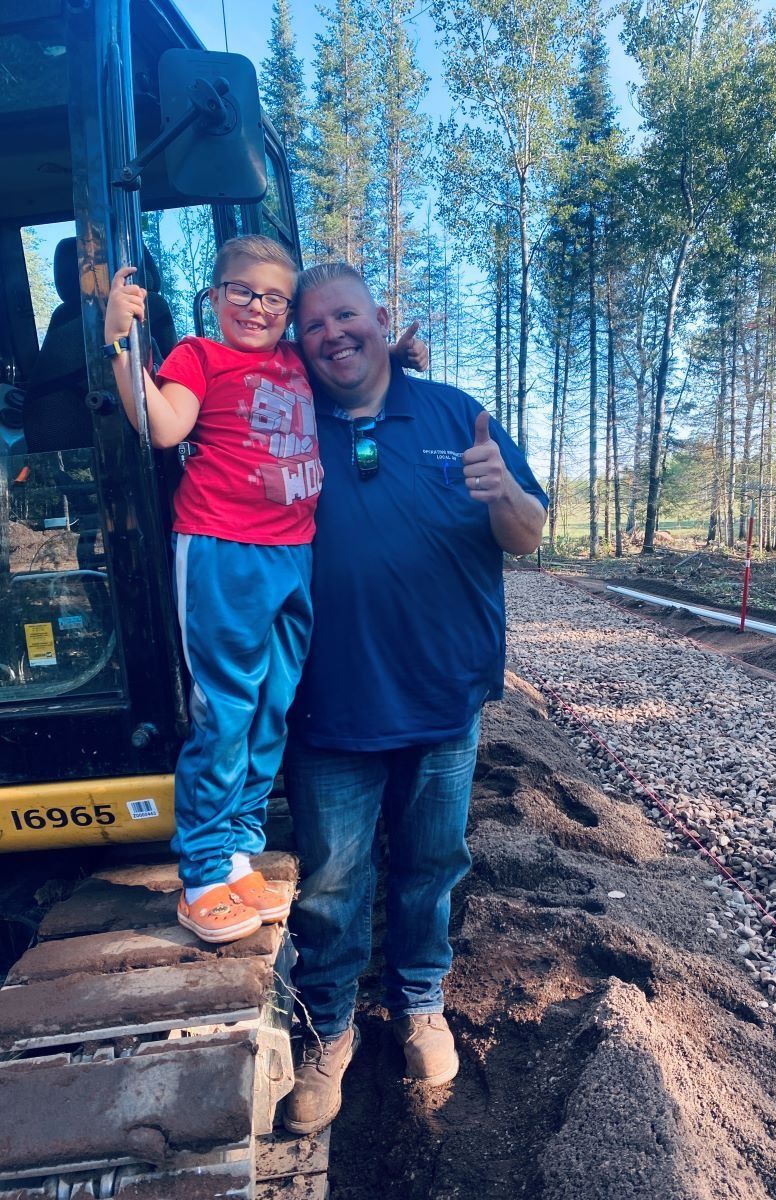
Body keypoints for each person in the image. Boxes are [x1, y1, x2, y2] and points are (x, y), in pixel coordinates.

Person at [281, 261, 547, 1136]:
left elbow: (529, 534)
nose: (332, 335)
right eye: (313, 324)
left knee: (432, 866)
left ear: (380, 317)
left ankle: (420, 1004)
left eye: (346, 316)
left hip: (442, 701)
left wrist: (502, 490)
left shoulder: (449, 411)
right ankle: (329, 1029)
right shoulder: (284, 421)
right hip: (331, 706)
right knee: (330, 884)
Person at [103, 237, 423, 945]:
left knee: (273, 705)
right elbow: (162, 426)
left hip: (293, 553)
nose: (258, 308)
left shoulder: (293, 361)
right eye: (242, 292)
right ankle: (202, 874)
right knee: (225, 711)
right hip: (222, 549)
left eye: (274, 298)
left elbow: (344, 362)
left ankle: (240, 849)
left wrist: (394, 358)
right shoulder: (200, 356)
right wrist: (122, 345)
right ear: (215, 297)